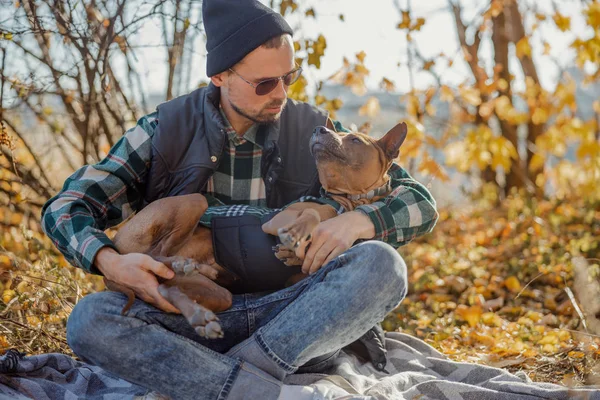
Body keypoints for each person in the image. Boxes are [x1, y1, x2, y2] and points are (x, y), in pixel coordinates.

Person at [41, 0, 439, 399]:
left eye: (290, 77)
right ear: (220, 76)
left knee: (384, 265)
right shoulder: (165, 131)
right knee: (89, 319)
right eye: (265, 83)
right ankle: (265, 386)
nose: (281, 93)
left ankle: (225, 381)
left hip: (293, 316)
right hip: (186, 317)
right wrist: (111, 261)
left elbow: (417, 201)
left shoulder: (315, 131)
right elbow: (67, 206)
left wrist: (358, 221)